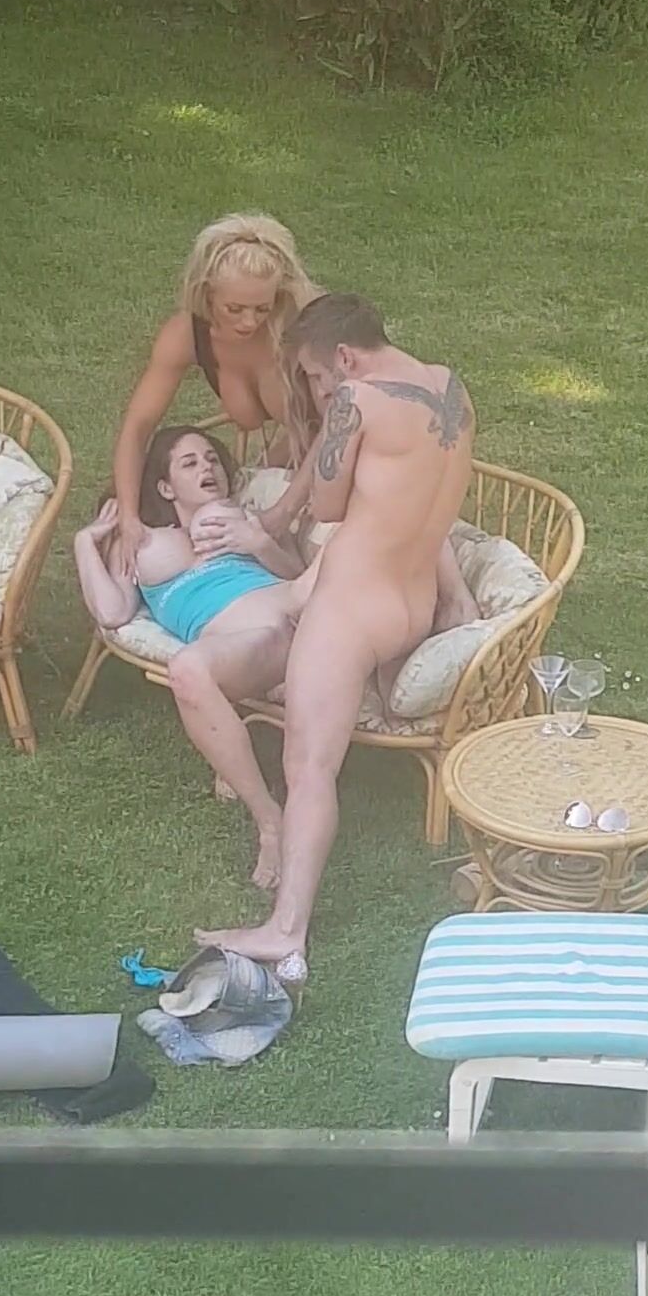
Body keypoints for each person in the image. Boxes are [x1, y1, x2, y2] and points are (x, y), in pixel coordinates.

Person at [195, 293, 475, 974]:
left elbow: (326, 505)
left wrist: (336, 431)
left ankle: (285, 929)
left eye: (316, 377)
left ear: (344, 357)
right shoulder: (451, 389)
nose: (319, 393)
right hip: (412, 603)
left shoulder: (356, 400)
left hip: (351, 608)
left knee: (309, 767)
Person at [74, 426, 318, 892]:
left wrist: (258, 543)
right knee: (187, 668)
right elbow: (111, 611)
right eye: (190, 463)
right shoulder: (141, 541)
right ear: (165, 488)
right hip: (262, 643)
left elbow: (297, 573)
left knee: (344, 552)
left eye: (211, 459)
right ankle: (270, 821)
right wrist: (85, 542)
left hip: (300, 609)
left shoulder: (242, 520)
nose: (208, 467)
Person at [111, 214, 320, 580]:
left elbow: (345, 420)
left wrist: (284, 509)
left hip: (339, 471)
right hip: (286, 479)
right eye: (234, 309)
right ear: (206, 293)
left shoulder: (303, 326)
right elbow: (137, 427)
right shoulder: (187, 336)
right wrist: (128, 518)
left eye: (262, 308)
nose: (249, 322)